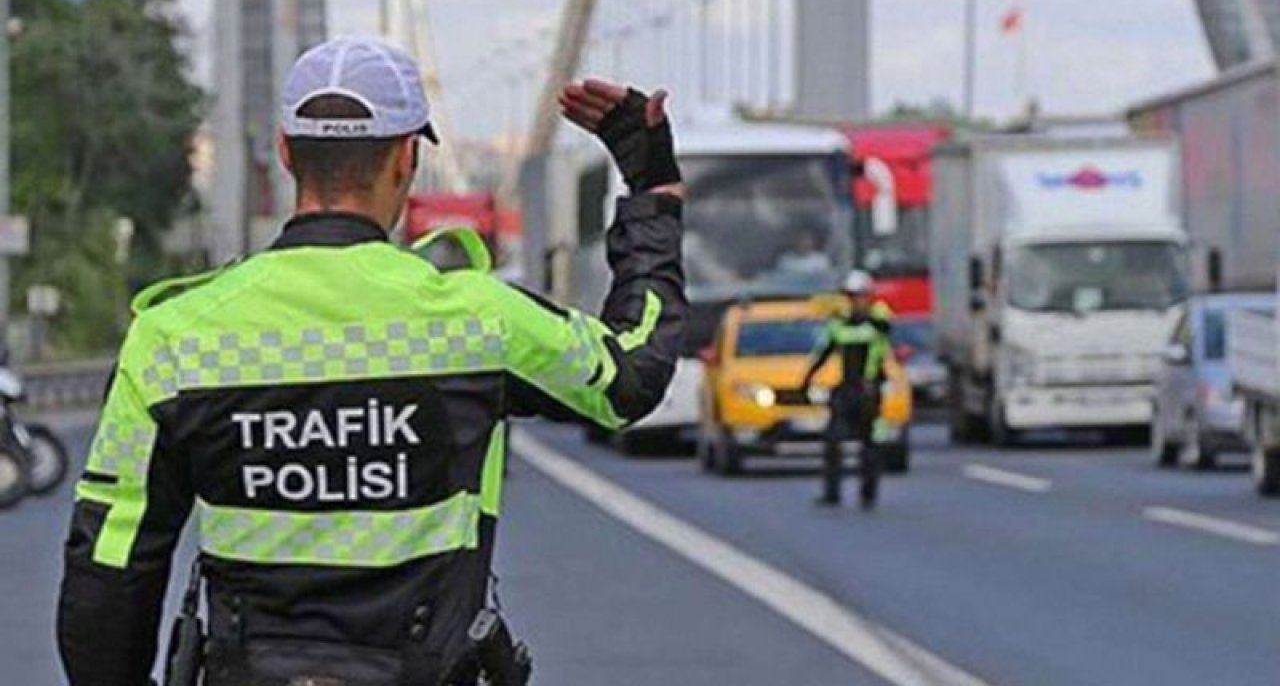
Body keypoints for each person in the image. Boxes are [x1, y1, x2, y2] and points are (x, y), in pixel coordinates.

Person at [56, 36, 687, 686]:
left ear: (285, 153)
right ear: (406, 157)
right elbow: (629, 376)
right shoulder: (478, 321)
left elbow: (109, 568)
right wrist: (651, 191)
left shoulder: (173, 337)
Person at [801, 269, 892, 510]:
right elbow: (822, 354)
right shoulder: (838, 326)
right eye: (852, 297)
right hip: (847, 389)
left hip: (870, 390)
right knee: (833, 441)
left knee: (871, 444)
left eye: (860, 296)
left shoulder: (878, 321)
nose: (856, 301)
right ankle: (832, 493)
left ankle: (868, 494)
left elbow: (885, 326)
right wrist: (806, 380)